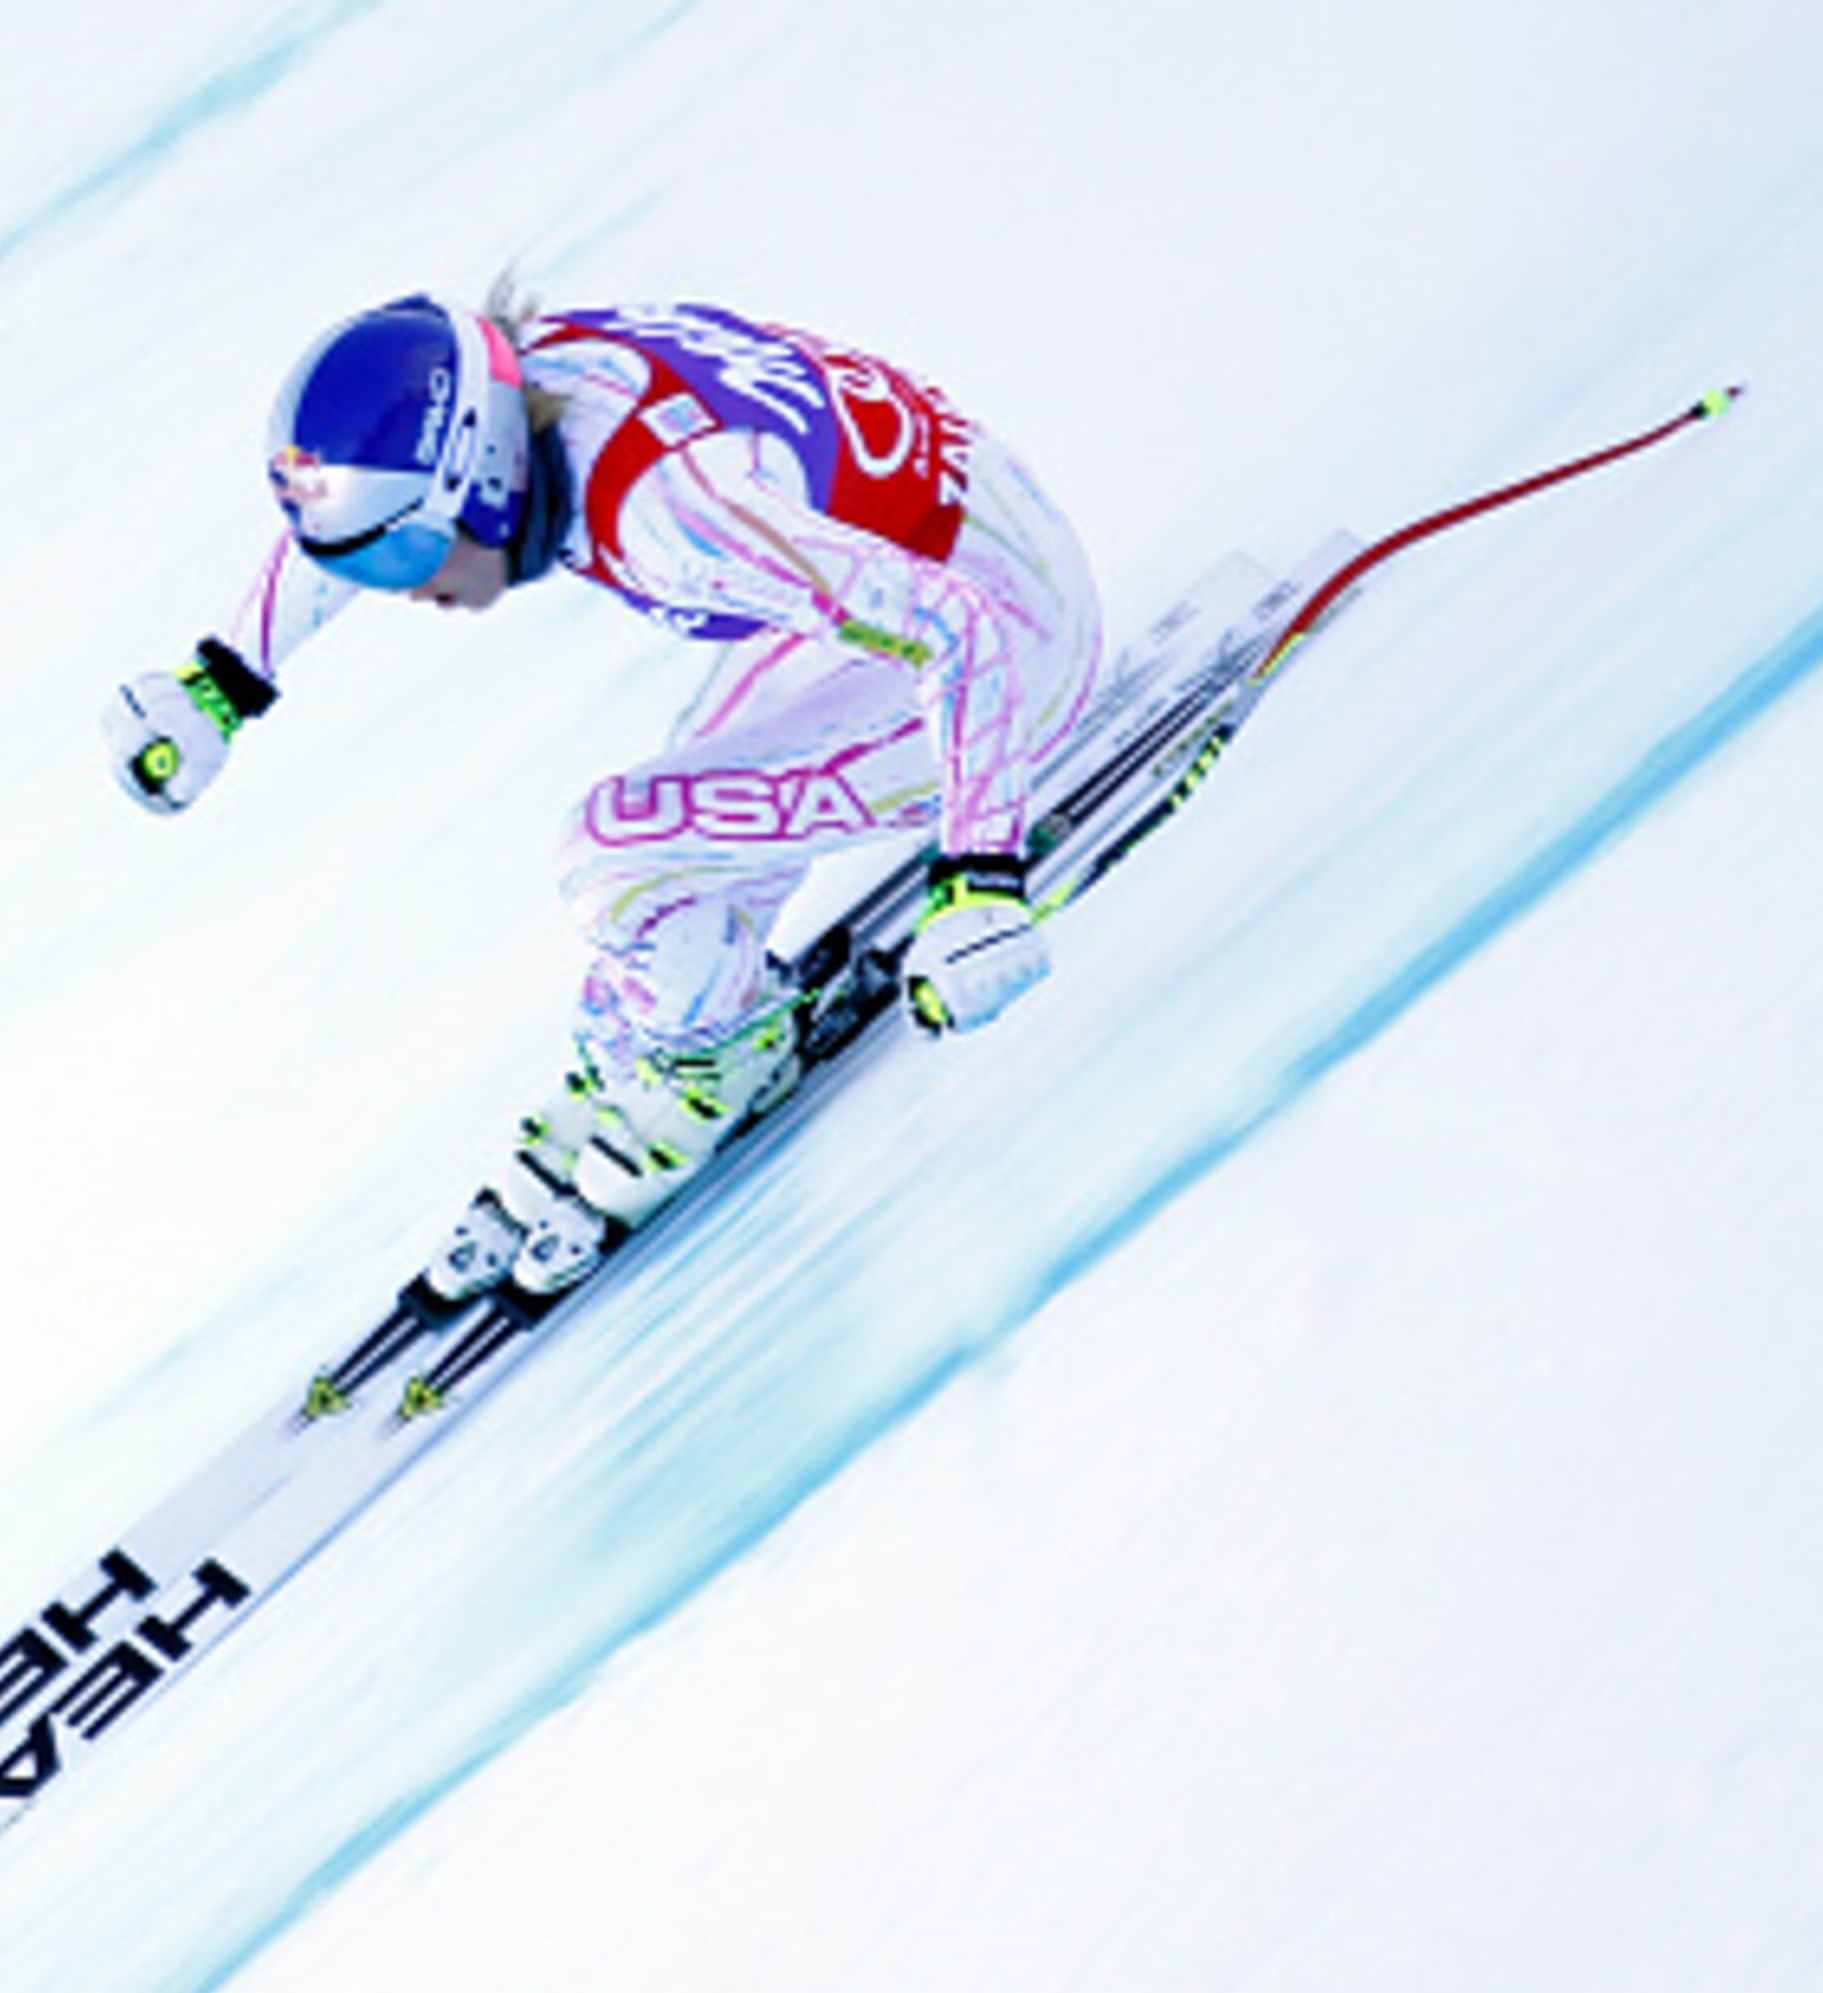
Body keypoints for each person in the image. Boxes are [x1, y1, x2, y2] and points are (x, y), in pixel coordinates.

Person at [103, 290, 1101, 1296]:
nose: (402, 588)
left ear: (487, 481)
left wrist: (981, 880)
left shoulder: (677, 516)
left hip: (1011, 644)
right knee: (677, 837)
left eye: (403, 554)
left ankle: (719, 1059)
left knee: (617, 853)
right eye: (363, 559)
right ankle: (667, 1033)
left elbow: (956, 628)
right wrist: (223, 681)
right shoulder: (524, 389)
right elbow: (372, 497)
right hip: (927, 562)